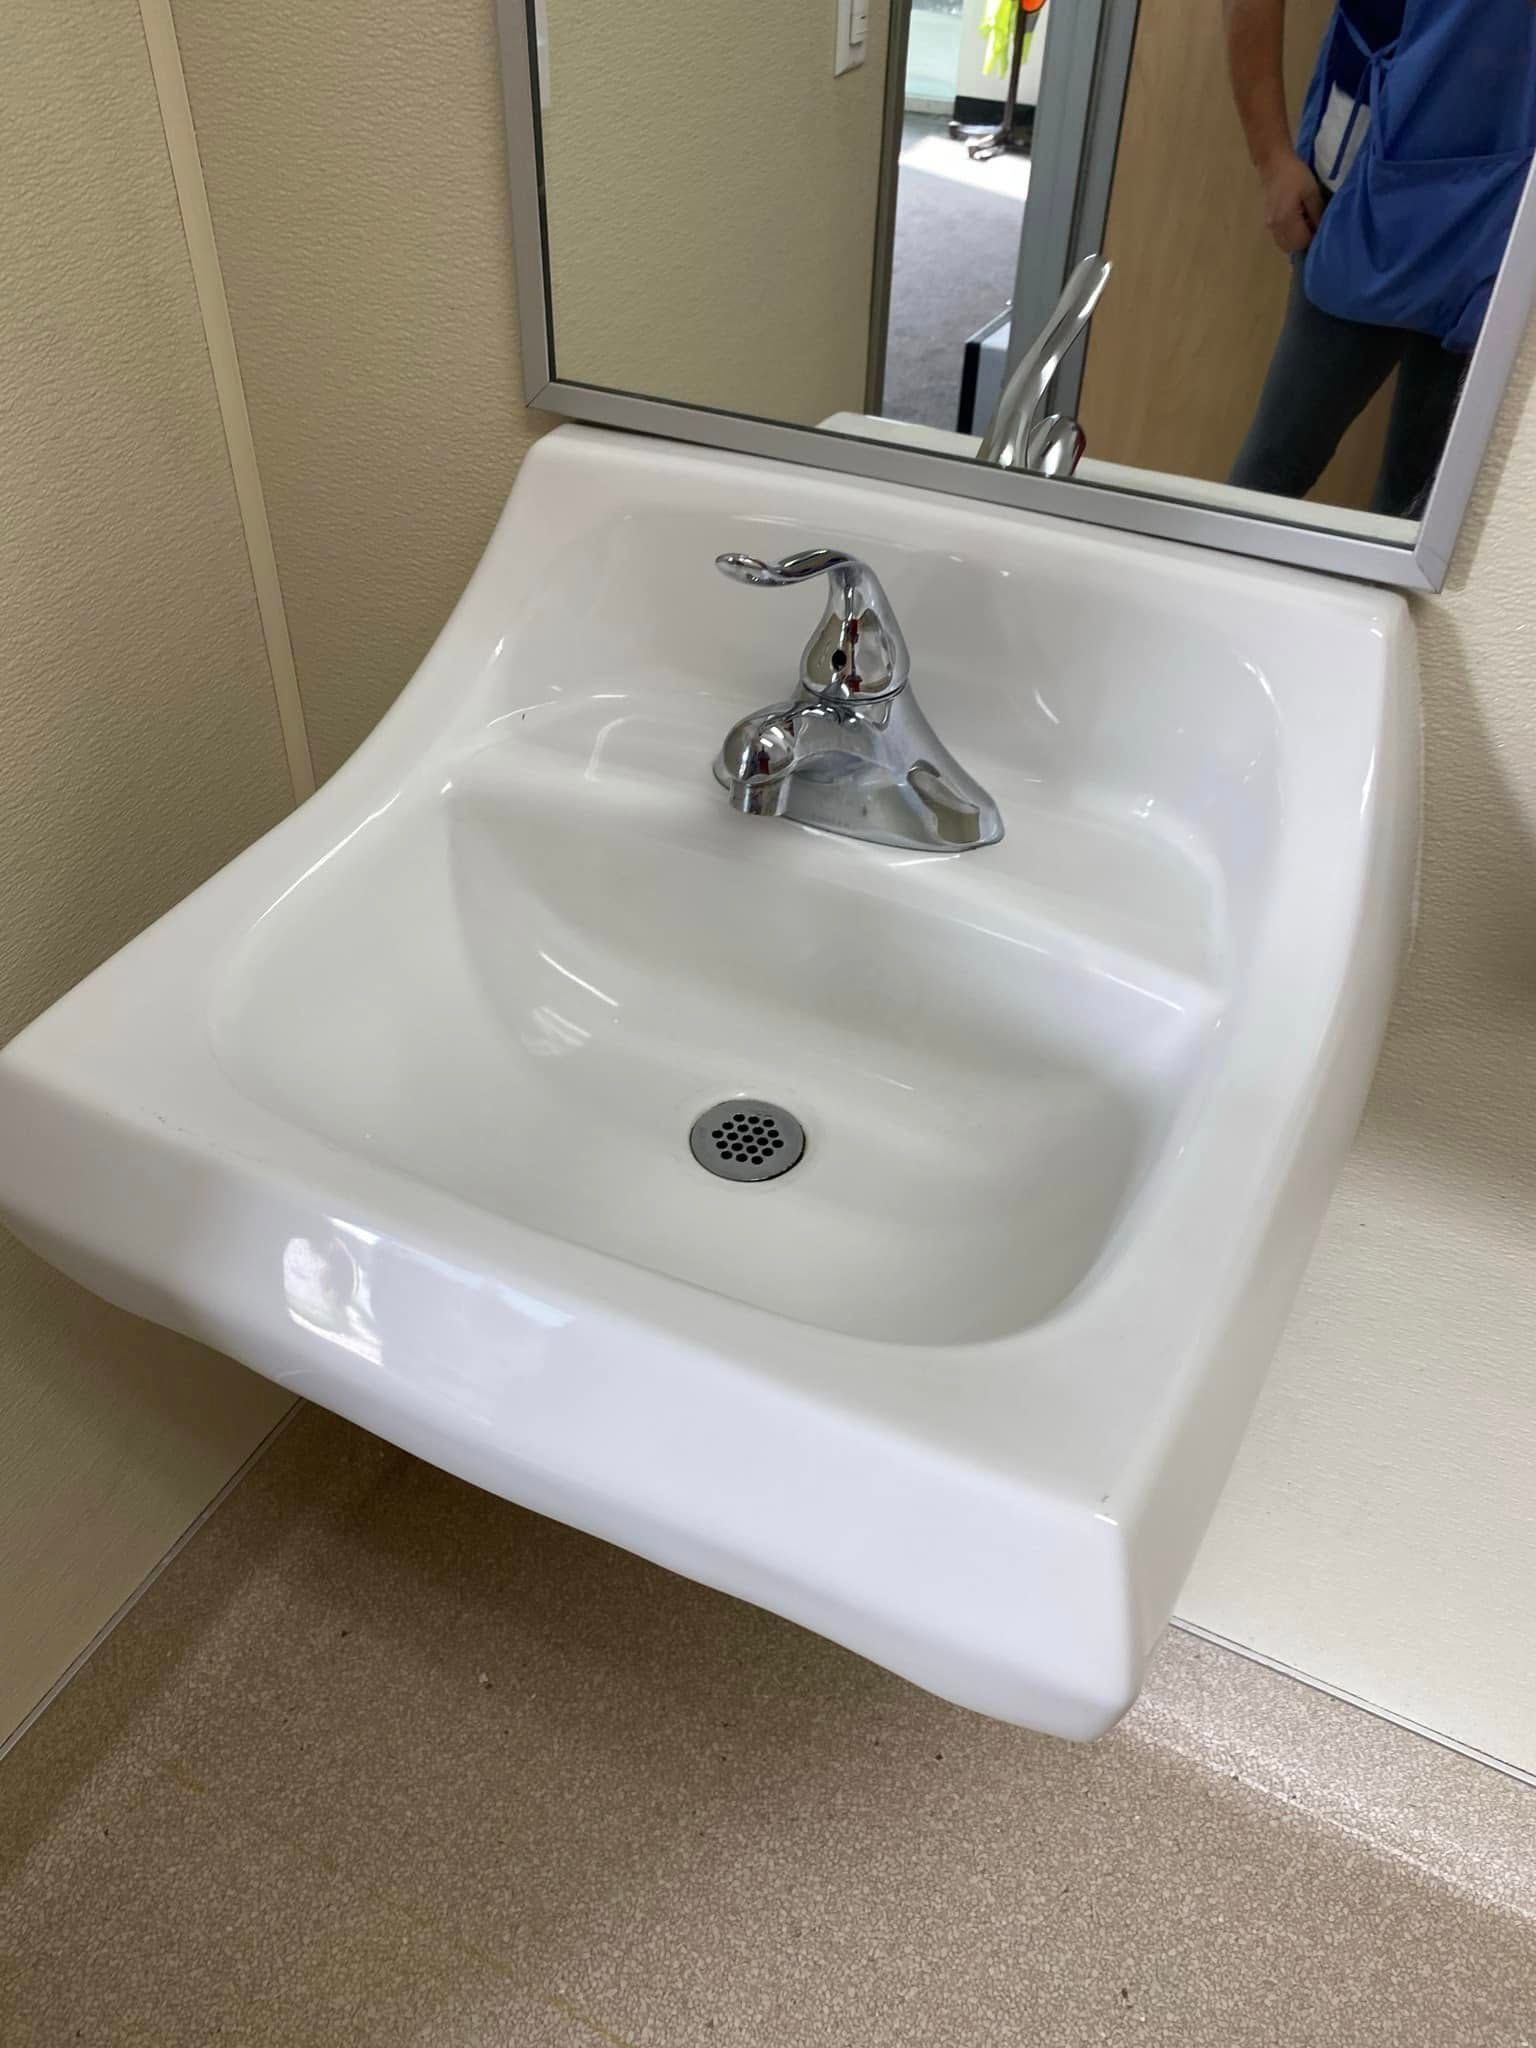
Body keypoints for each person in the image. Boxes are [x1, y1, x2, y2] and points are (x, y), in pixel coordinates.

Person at [1224, 0, 1536, 517]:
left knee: (1422, 515)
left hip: (1508, 212)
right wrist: (1271, 158)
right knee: (1271, 475)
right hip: (1369, 195)